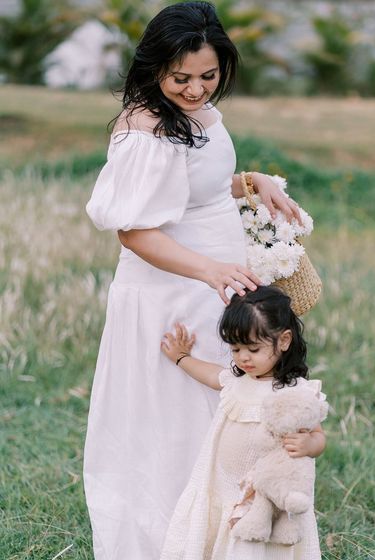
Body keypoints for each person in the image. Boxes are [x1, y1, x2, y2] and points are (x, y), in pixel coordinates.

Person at [84, 2, 301, 558]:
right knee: (175, 417)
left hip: (216, 284)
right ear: (155, 68)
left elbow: (194, 188)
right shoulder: (143, 129)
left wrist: (252, 182)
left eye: (209, 76)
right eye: (181, 78)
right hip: (171, 288)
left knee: (225, 404)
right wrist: (210, 271)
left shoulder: (198, 114)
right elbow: (136, 232)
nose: (197, 89)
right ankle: (171, 538)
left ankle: (224, 530)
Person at [160, 286, 328, 560]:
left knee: (258, 546)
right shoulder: (236, 382)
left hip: (269, 493)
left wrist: (309, 444)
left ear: (284, 341)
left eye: (253, 348)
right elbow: (212, 375)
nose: (243, 357)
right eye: (236, 348)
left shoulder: (296, 391)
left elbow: (319, 437)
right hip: (226, 486)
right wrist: (182, 358)